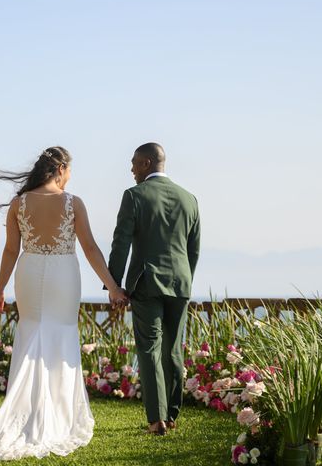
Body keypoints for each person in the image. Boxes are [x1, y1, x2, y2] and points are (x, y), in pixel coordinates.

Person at [0, 146, 128, 460]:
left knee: (31, 332)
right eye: (70, 170)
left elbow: (9, 251)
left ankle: (29, 413)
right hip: (63, 273)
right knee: (60, 336)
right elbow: (89, 247)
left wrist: (0, 289)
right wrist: (113, 287)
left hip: (29, 273)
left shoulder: (18, 204)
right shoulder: (73, 203)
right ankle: (58, 417)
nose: (70, 177)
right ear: (60, 168)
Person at [107, 142, 200, 436]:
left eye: (134, 163)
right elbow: (193, 250)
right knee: (173, 350)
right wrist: (185, 280)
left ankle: (156, 420)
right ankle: (171, 416)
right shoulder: (190, 199)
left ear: (147, 163)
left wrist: (114, 284)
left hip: (146, 282)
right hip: (181, 283)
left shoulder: (134, 195)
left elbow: (120, 242)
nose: (131, 169)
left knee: (149, 349)